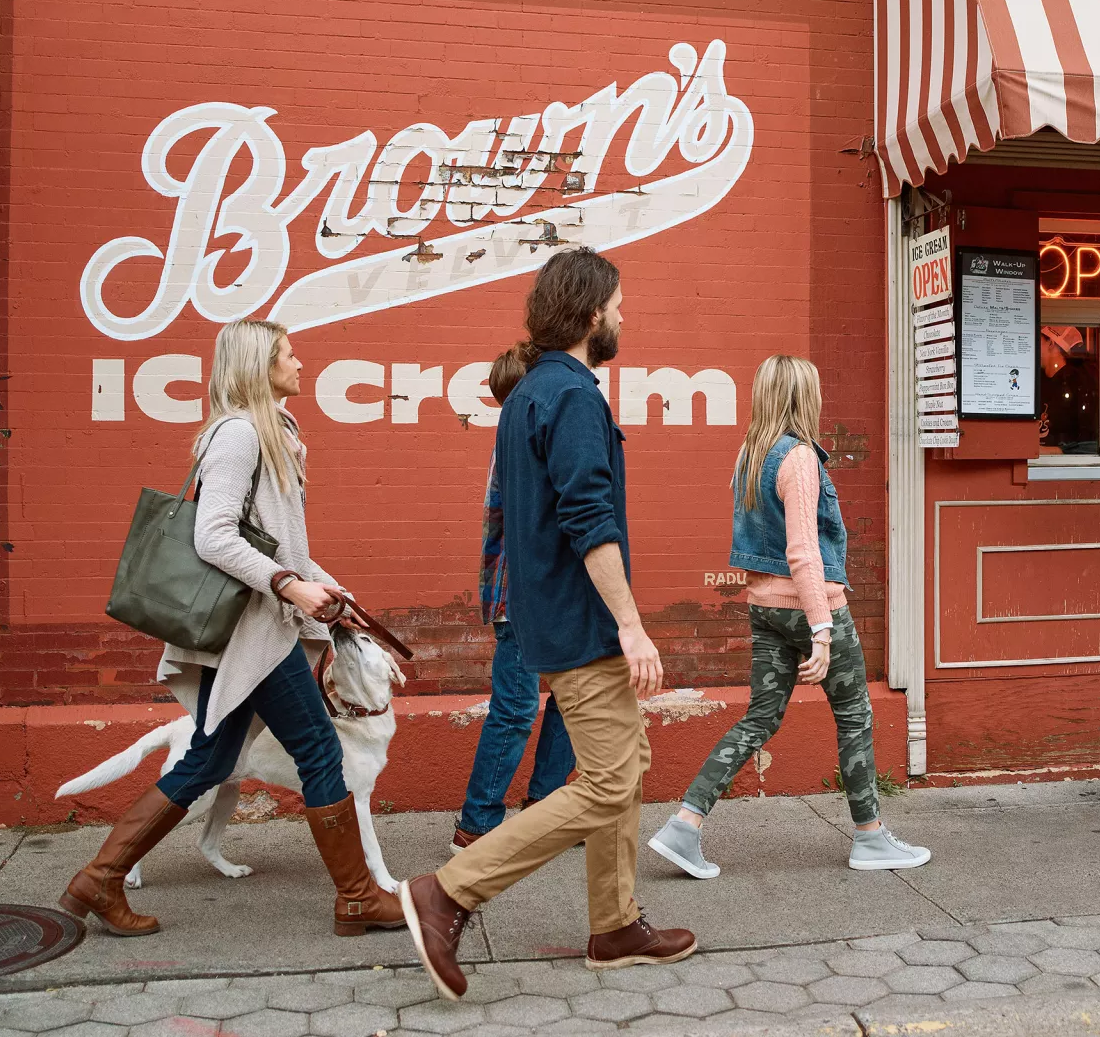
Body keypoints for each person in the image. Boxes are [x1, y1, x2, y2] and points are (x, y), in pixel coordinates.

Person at [401, 247, 696, 1001]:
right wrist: (631, 624)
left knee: (625, 763)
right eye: (619, 305)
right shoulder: (570, 396)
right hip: (580, 620)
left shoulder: (534, 392)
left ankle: (616, 925)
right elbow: (588, 517)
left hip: (554, 617)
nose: (625, 316)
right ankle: (449, 891)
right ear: (592, 312)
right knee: (606, 781)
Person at [59, 320, 404, 939]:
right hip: (254, 632)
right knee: (320, 750)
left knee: (212, 757)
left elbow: (284, 546)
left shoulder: (274, 434)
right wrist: (289, 587)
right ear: (259, 367)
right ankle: (357, 898)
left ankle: (100, 878)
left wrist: (333, 593)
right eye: (288, 355)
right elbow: (213, 536)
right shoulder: (240, 435)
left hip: (258, 625)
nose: (300, 364)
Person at [647, 355, 931, 878]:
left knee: (760, 717)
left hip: (765, 609)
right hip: (810, 607)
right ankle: (870, 839)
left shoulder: (750, 453)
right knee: (855, 716)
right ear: (805, 398)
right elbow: (803, 551)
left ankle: (683, 826)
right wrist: (822, 629)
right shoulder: (799, 457)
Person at [451, 347, 576, 853]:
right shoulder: (521, 442)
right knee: (517, 708)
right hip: (524, 595)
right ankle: (476, 824)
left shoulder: (533, 437)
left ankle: (546, 809)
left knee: (573, 698)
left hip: (550, 592)